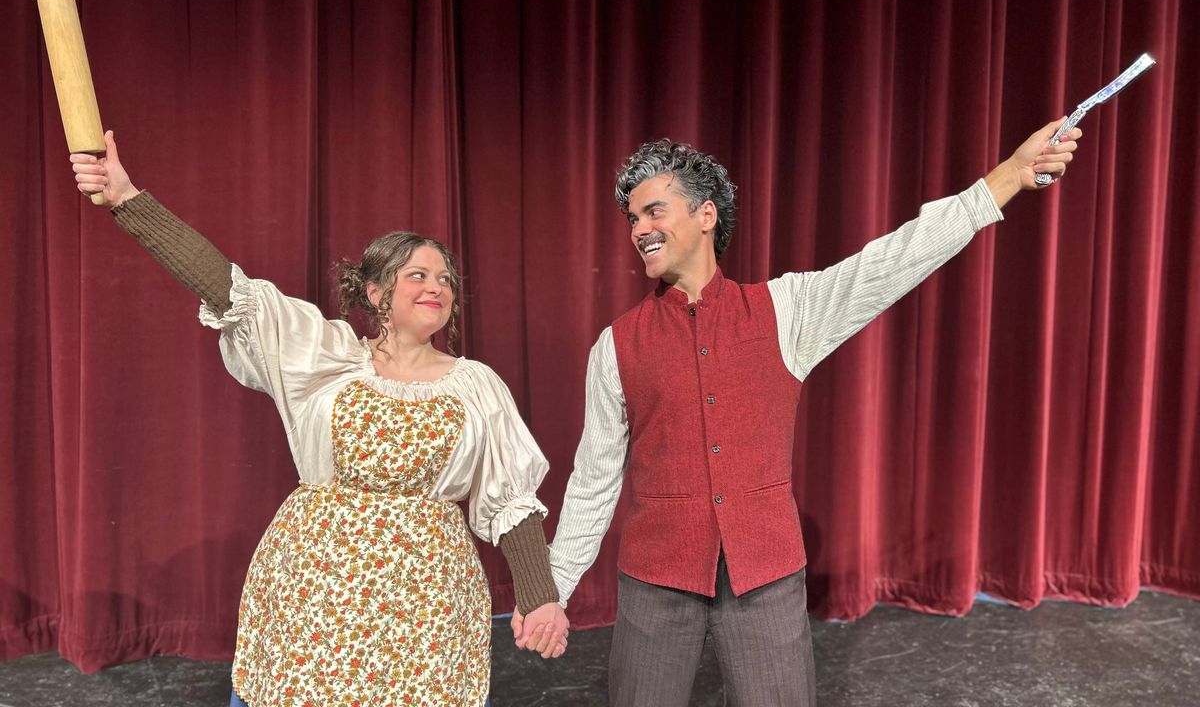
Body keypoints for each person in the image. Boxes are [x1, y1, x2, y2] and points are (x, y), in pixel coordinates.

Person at [524, 119, 1083, 705]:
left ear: (706, 215)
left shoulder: (787, 309)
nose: (640, 229)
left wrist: (1010, 177)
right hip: (655, 583)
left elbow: (895, 258)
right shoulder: (616, 345)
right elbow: (593, 480)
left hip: (765, 579)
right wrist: (551, 590)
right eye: (633, 219)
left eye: (654, 211)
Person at [70, 132, 570, 706]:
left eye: (445, 279)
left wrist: (540, 594)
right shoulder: (326, 358)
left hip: (427, 599)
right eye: (418, 274)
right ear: (376, 290)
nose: (437, 287)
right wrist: (129, 199)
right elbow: (227, 289)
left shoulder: (475, 385)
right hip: (316, 585)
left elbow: (510, 499)